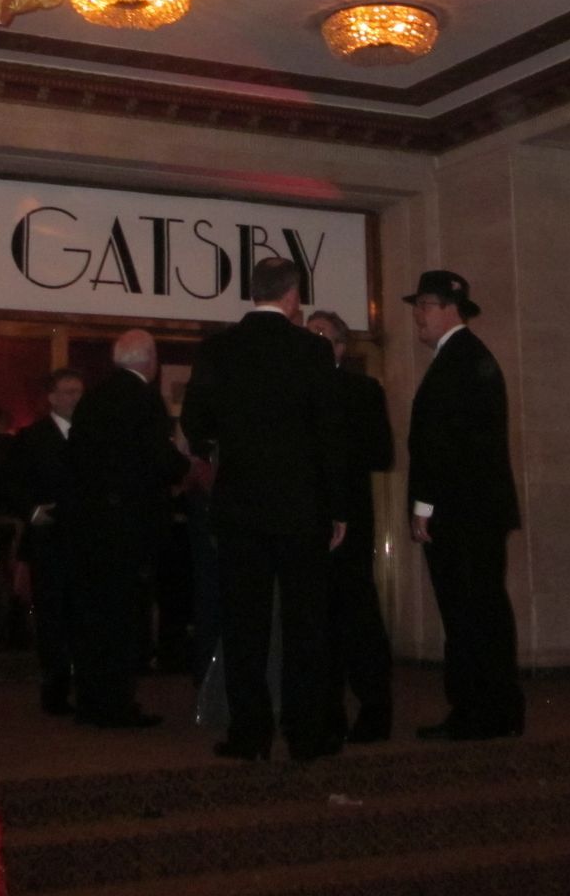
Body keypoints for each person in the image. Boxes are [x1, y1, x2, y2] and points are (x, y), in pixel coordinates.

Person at [182, 257, 346, 762]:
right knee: (305, 625)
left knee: (244, 625)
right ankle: (306, 733)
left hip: (241, 507)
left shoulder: (219, 350)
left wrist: (224, 442)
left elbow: (194, 421)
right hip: (300, 507)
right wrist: (338, 508)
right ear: (294, 295)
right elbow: (331, 435)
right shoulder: (312, 351)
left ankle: (249, 734)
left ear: (252, 292)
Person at [404, 269, 524, 742]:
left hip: (461, 510)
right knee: (482, 608)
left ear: (453, 309)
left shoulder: (459, 360)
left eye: (426, 305)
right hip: (477, 508)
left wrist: (424, 506)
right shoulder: (465, 357)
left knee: (468, 610)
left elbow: (442, 444)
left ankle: (477, 711)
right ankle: (494, 709)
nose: (418, 314)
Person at [62, 331, 188, 728]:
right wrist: (185, 466)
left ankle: (90, 701)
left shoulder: (93, 399)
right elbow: (159, 461)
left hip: (91, 524)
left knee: (94, 617)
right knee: (125, 619)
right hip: (130, 526)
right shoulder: (144, 399)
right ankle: (117, 704)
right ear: (150, 361)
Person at [306, 308, 395, 745]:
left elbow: (382, 452)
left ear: (341, 347)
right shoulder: (298, 392)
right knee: (318, 614)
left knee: (357, 609)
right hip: (307, 514)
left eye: (322, 334)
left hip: (352, 513)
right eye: (309, 334)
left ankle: (375, 706)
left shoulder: (362, 389)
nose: (314, 340)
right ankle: (327, 710)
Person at [12, 368, 85, 716]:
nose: (75, 398)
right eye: (68, 392)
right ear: (52, 397)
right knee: (52, 617)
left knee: (81, 615)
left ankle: (83, 684)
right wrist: (32, 511)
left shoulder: (90, 436)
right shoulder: (33, 436)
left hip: (83, 540)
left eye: (78, 392)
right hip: (49, 540)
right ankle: (54, 690)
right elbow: (14, 484)